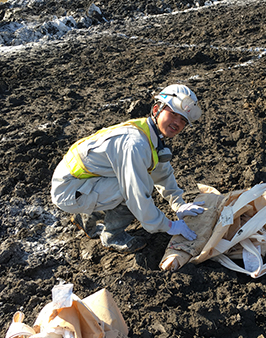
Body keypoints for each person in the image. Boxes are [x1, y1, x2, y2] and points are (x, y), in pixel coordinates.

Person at [51, 84, 205, 254]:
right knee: (138, 187)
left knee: (134, 180)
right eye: (173, 114)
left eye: (183, 120)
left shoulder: (149, 133)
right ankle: (112, 236)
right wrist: (168, 225)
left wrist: (178, 204)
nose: (177, 122)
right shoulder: (135, 144)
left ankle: (87, 218)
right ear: (156, 109)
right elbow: (137, 196)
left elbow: (161, 172)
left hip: (80, 182)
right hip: (68, 190)